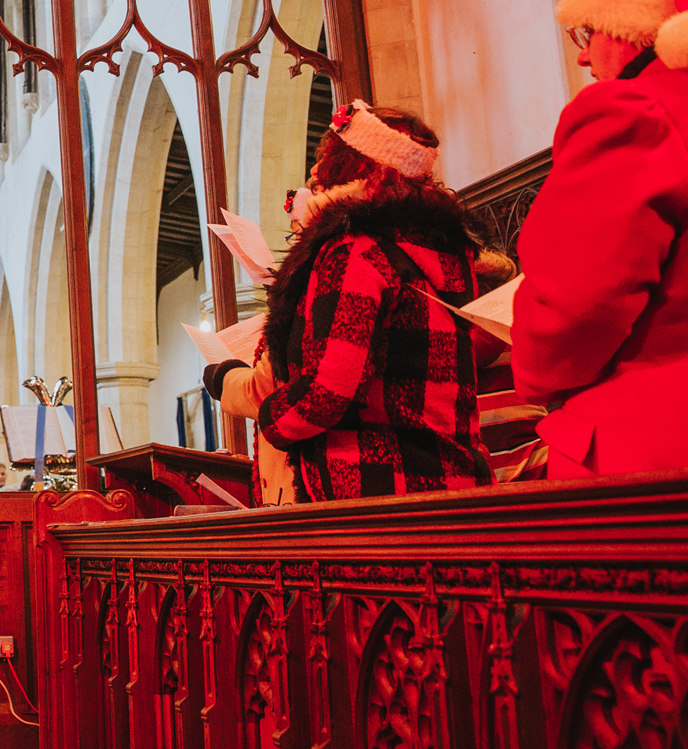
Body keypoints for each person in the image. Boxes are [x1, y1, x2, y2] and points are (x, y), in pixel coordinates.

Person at [513, 0, 688, 476]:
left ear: (628, 29)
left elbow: (572, 312)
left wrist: (535, 368)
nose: (584, 59)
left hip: (664, 468)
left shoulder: (632, 112)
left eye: (587, 34)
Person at [205, 101, 492, 503]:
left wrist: (273, 420)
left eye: (328, 158)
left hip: (372, 488)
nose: (315, 174)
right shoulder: (443, 253)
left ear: (359, 168)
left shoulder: (356, 251)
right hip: (451, 481)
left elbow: (329, 390)